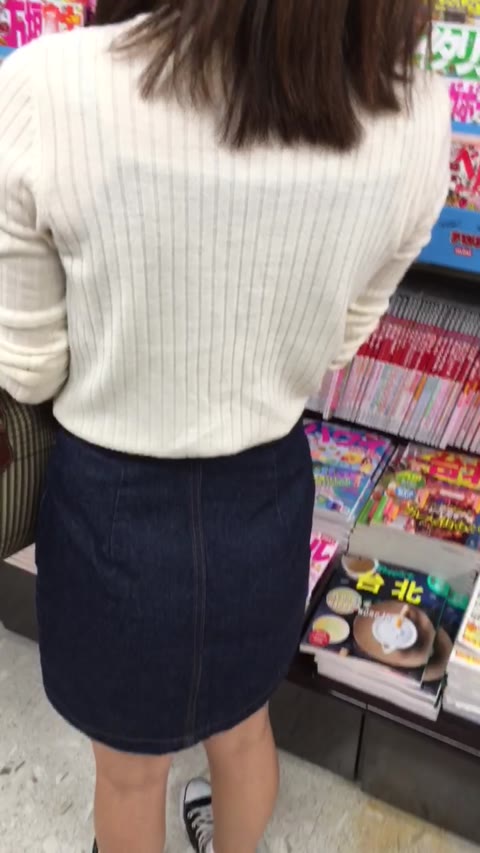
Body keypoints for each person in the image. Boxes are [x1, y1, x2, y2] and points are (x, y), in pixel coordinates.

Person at [0, 1, 449, 852]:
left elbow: (29, 370)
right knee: (244, 728)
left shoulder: (44, 89)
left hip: (111, 507)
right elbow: (341, 341)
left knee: (129, 773)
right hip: (266, 491)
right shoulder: (414, 108)